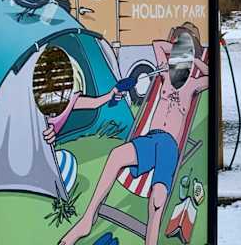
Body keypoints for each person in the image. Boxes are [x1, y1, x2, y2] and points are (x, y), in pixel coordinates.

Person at [44, 23, 208, 245]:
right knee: (116, 155)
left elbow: (210, 75)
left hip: (169, 145)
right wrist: (179, 51)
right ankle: (87, 220)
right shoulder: (165, 75)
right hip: (150, 139)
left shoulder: (193, 85)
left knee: (158, 198)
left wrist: (192, 57)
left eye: (185, 46)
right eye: (178, 44)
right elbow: (157, 45)